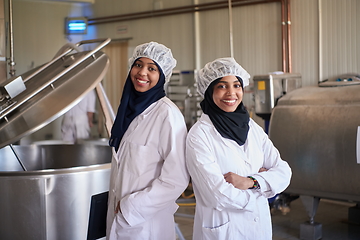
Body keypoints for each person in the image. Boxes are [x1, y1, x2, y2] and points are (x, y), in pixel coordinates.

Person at [186, 57, 292, 240]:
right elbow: (217, 194)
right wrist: (262, 192)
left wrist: (251, 182)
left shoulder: (251, 127)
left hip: (259, 229)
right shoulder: (199, 135)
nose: (231, 93)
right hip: (224, 231)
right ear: (209, 91)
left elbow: (284, 172)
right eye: (222, 86)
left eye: (236, 85)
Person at [106, 42, 190, 240]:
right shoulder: (129, 110)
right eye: (138, 65)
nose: (142, 72)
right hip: (122, 221)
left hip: (146, 223)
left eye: (152, 68)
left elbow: (176, 178)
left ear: (162, 76)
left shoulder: (167, 114)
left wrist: (131, 206)